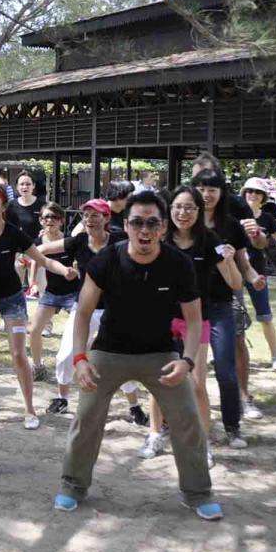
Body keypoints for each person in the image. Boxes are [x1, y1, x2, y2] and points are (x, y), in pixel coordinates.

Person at [54, 190, 220, 520]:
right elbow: (83, 313)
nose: (145, 230)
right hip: (109, 351)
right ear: (126, 225)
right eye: (137, 223)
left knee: (187, 418)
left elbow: (193, 320)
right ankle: (73, 485)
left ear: (163, 228)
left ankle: (198, 492)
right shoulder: (106, 260)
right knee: (86, 417)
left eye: (152, 223)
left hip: (160, 353)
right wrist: (80, 359)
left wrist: (187, 361)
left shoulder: (179, 264)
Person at [0, 183, 78, 430]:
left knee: (17, 354)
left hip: (12, 298)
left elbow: (42, 259)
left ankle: (29, 410)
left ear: (3, 206)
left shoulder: (13, 233)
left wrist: (64, 270)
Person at [141, 187, 241, 465]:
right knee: (159, 381)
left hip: (197, 320)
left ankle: (201, 443)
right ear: (169, 210)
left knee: (196, 384)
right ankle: (155, 434)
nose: (183, 213)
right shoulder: (160, 237)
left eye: (189, 208)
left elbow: (235, 283)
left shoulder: (210, 240)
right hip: (161, 319)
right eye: (178, 207)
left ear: (198, 211)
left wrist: (230, 260)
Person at [40, 199, 131, 417]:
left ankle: (134, 405)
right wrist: (62, 269)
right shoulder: (79, 241)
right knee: (65, 355)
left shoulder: (119, 240)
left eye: (95, 215)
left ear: (107, 218)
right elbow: (40, 250)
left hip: (114, 309)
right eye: (86, 215)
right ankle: (62, 398)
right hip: (84, 309)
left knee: (124, 357)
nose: (89, 219)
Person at [192, 170, 258, 446]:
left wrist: (254, 277)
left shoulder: (231, 225)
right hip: (188, 307)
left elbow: (243, 263)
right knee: (183, 369)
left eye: (212, 189)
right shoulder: (185, 220)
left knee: (225, 368)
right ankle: (172, 423)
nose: (207, 194)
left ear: (221, 194)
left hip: (221, 304)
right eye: (201, 188)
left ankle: (232, 426)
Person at [28, 202, 78, 381]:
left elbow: (79, 262)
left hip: (72, 293)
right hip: (51, 293)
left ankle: (81, 365)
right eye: (46, 217)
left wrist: (74, 270)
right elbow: (34, 261)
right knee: (34, 330)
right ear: (40, 220)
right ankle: (38, 367)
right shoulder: (38, 242)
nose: (50, 220)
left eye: (54, 217)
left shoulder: (69, 240)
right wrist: (33, 283)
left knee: (83, 330)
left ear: (62, 221)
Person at [239, 178, 276, 370]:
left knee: (265, 316)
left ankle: (275, 357)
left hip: (257, 272)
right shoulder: (234, 215)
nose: (253, 195)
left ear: (263, 197)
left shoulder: (267, 219)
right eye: (249, 191)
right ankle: (231, 354)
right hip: (234, 270)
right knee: (233, 316)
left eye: (258, 192)